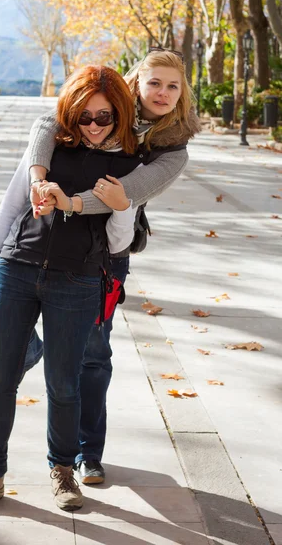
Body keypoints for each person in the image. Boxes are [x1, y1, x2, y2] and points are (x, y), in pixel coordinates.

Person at [0, 65, 160, 515]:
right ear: (71, 113)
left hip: (79, 280)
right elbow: (10, 207)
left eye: (104, 117)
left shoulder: (130, 165)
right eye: (84, 115)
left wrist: (122, 205)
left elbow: (117, 244)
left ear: (119, 116)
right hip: (17, 267)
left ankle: (62, 469)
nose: (92, 125)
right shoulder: (47, 148)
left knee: (64, 384)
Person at [21, 49, 201, 485]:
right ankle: (40, 348)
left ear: (182, 95)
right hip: (52, 243)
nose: (162, 92)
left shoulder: (173, 150)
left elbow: (124, 193)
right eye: (154, 82)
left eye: (172, 86)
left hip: (107, 256)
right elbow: (47, 123)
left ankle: (87, 452)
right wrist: (38, 177)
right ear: (136, 82)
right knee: (23, 335)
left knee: (94, 354)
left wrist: (72, 201)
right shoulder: (101, 109)